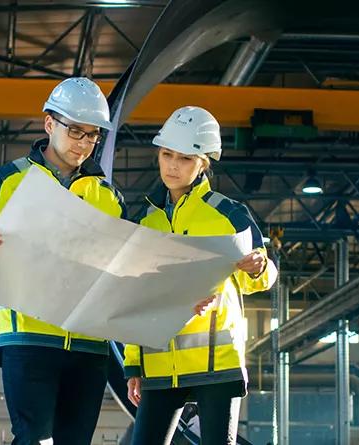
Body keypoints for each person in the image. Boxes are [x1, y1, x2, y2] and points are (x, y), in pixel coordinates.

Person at [0, 77, 124, 445]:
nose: (84, 144)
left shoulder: (108, 196)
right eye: (75, 131)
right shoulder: (4, 181)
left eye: (92, 135)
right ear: (50, 123)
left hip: (90, 344)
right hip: (28, 338)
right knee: (34, 439)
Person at [121, 106, 278, 445]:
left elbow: (263, 276)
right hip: (160, 363)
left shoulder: (229, 214)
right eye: (166, 154)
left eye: (185, 158)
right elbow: (135, 297)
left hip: (216, 364)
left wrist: (260, 267)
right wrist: (133, 366)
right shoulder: (145, 222)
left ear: (203, 163)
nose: (173, 165)